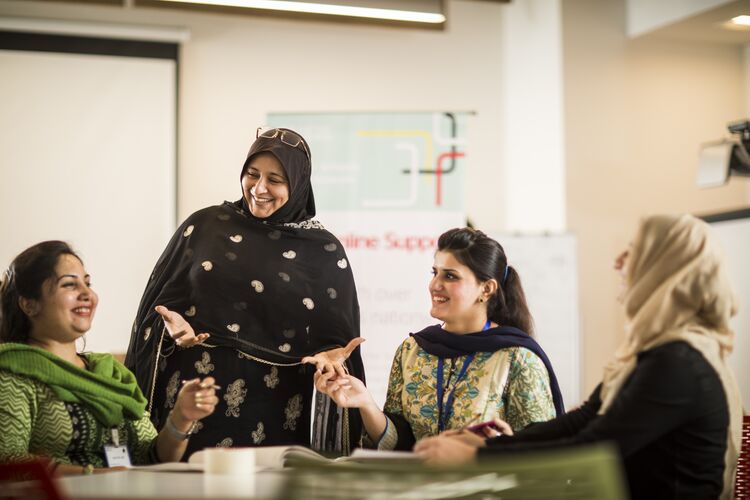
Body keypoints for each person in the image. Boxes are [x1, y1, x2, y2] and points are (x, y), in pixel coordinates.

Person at [415, 215, 744, 500]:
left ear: (665, 269)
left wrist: (479, 457)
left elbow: (597, 446)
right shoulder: (661, 351)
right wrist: (486, 447)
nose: (618, 260)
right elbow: (585, 419)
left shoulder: (678, 361)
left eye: (634, 251)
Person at [125, 127, 365, 457]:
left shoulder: (323, 252)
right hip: (194, 399)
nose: (259, 188)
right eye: (252, 174)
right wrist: (171, 333)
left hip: (273, 413)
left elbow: (337, 342)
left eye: (275, 180)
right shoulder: (205, 226)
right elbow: (156, 310)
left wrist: (329, 358)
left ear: (298, 185)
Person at [315, 228, 564, 451]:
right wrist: (365, 403)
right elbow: (400, 443)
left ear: (486, 289)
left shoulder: (518, 358)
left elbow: (541, 453)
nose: (435, 284)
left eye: (451, 276)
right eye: (435, 273)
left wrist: (493, 449)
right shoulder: (412, 350)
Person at [0, 241, 219, 474]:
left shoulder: (110, 372)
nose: (87, 294)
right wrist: (99, 477)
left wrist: (181, 418)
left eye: (87, 283)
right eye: (69, 285)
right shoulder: (12, 375)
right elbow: (9, 462)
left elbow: (151, 458)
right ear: (29, 304)